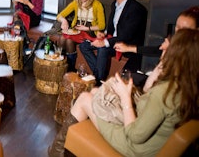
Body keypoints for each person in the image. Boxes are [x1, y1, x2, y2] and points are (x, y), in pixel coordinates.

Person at [48, 29, 199, 157]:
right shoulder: (188, 86)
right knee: (95, 90)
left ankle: (55, 152)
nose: (161, 49)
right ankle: (63, 146)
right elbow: (147, 91)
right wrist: (162, 65)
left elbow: (135, 135)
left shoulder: (163, 93)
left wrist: (125, 97)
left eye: (167, 48)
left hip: (134, 147)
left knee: (84, 98)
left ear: (177, 55)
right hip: (147, 136)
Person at [79, 0, 147, 86]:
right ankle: (98, 76)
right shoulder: (114, 4)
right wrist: (104, 33)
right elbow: (112, 27)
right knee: (84, 46)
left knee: (102, 49)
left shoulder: (136, 9)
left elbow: (126, 35)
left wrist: (104, 42)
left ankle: (98, 82)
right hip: (112, 40)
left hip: (126, 44)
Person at [114, 5, 199, 91]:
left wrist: (169, 51)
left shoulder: (192, 52)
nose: (178, 31)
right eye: (177, 26)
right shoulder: (174, 42)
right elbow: (156, 50)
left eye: (184, 29)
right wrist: (128, 48)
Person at [56, 0, 106, 71]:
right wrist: (63, 20)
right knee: (62, 38)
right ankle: (59, 64)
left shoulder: (97, 5)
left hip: (90, 31)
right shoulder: (76, 3)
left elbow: (102, 25)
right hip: (77, 29)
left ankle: (70, 68)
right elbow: (60, 15)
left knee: (68, 41)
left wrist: (87, 28)